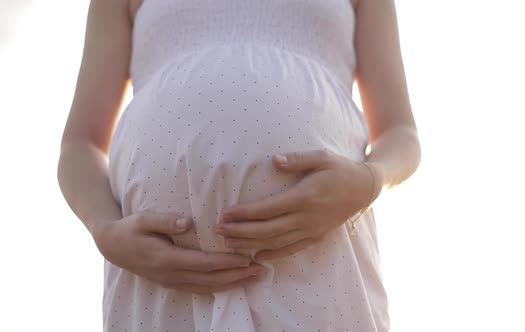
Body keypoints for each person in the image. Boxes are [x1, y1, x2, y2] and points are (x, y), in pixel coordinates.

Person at [57, 0, 421, 330]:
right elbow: (80, 145)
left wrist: (370, 180)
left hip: (317, 262)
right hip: (161, 280)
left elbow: (400, 132)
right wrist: (105, 230)